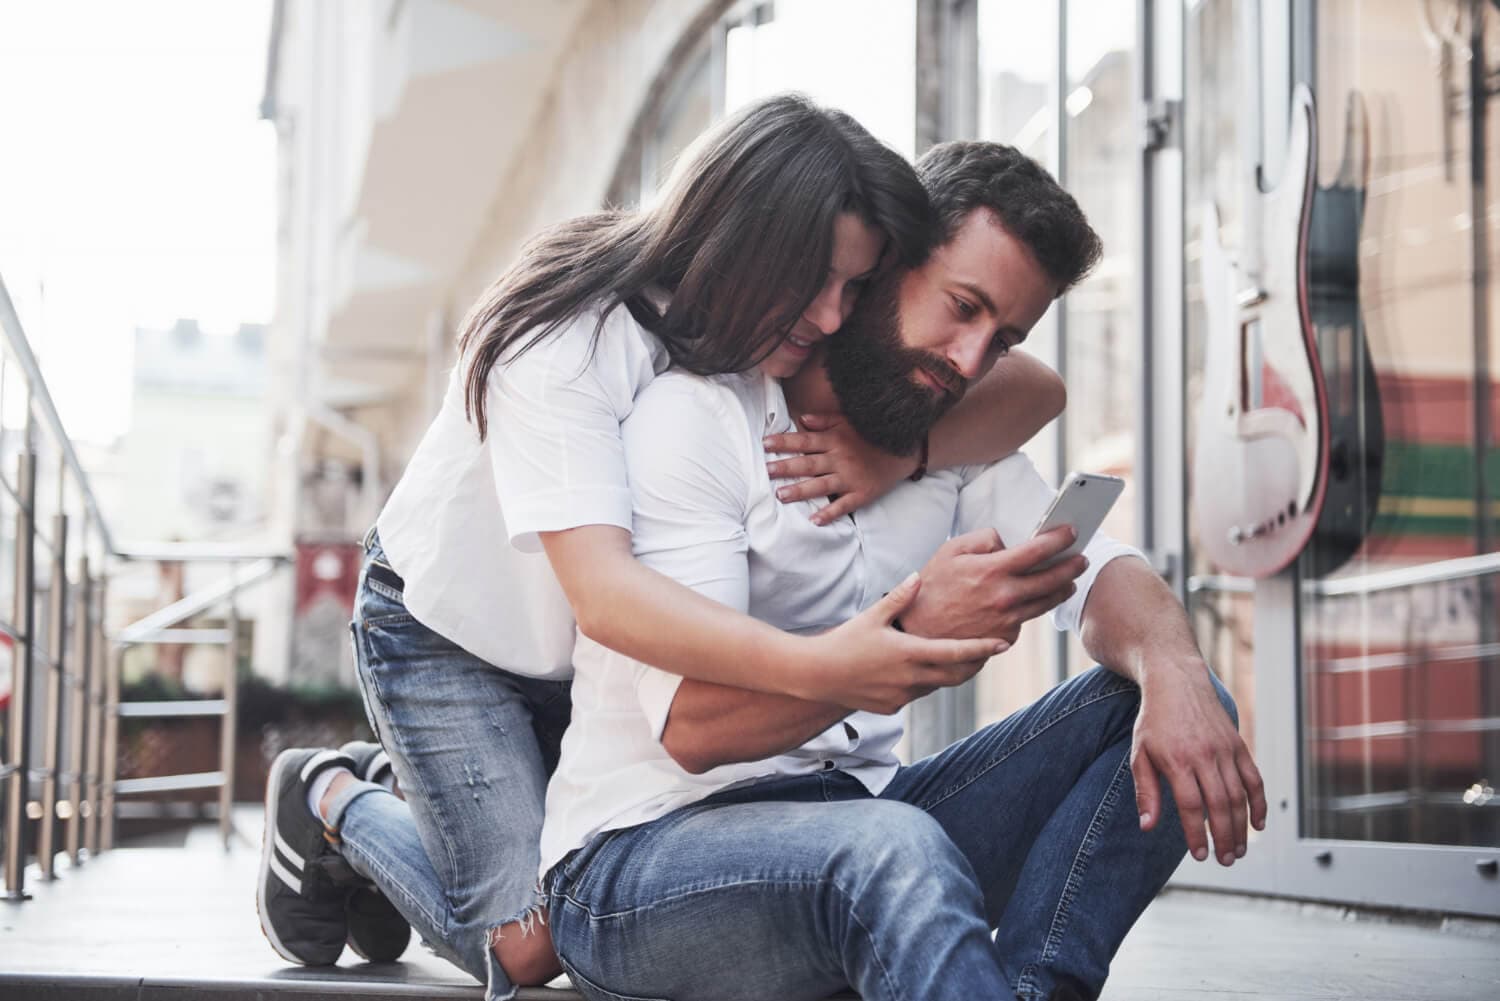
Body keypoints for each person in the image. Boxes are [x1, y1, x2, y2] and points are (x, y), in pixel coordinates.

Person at [256, 95, 1068, 1000]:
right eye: (825, 283)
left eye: (856, 290)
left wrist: (896, 450)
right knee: (530, 944)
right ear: (754, 234)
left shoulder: (757, 329)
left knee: (564, 873)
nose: (838, 318)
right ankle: (332, 797)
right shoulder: (566, 337)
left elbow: (1035, 388)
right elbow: (608, 594)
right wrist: (829, 666)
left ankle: (418, 808)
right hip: (451, 635)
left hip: (577, 648)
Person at [538, 141, 1267, 1001]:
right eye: (963, 307)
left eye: (1002, 341)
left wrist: (1174, 668)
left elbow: (1099, 572)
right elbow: (695, 730)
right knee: (893, 847)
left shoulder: (947, 443)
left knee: (1168, 703)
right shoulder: (698, 418)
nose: (967, 360)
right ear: (885, 264)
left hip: (857, 819)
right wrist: (916, 632)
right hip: (645, 862)